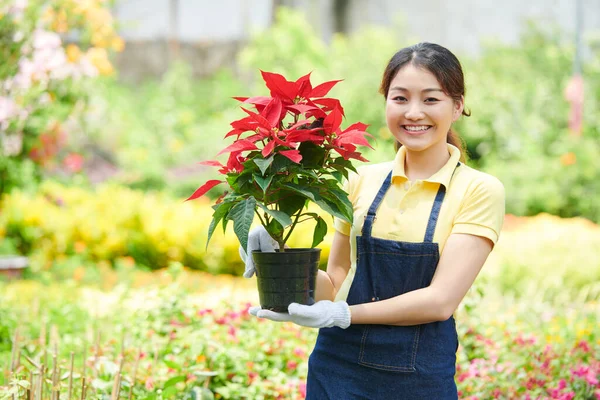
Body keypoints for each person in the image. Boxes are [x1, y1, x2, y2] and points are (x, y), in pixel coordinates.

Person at [239, 42, 505, 399]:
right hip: (336, 368)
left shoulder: (478, 190)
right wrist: (275, 255)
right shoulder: (360, 180)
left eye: (430, 99)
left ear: (457, 107)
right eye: (400, 98)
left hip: (417, 377)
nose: (413, 112)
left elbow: (440, 300)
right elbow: (335, 282)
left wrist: (342, 315)